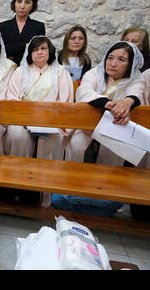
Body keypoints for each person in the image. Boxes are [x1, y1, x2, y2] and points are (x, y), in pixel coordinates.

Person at [58, 41, 145, 217]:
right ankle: (71, 189)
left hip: (116, 127)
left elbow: (137, 93)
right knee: (75, 145)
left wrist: (127, 102)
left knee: (113, 151)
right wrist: (109, 104)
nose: (113, 63)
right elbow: (84, 92)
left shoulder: (135, 78)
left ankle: (105, 197)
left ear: (130, 64)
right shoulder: (94, 74)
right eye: (110, 58)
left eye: (121, 59)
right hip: (86, 125)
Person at [0, 36, 73, 205]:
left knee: (54, 140)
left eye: (43, 49)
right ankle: (16, 188)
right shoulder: (20, 72)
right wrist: (26, 120)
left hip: (51, 123)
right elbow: (12, 100)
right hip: (23, 121)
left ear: (50, 51)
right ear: (30, 53)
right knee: (17, 136)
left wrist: (48, 121)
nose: (39, 52)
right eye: (35, 49)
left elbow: (66, 103)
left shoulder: (61, 72)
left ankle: (45, 195)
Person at [0, 0, 46, 66]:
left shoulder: (38, 27)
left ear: (33, 6)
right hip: (8, 70)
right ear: (14, 3)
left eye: (27, 2)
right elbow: (3, 51)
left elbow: (38, 52)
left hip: (31, 69)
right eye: (19, 1)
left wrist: (13, 52)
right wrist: (25, 45)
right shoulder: (3, 26)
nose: (22, 6)